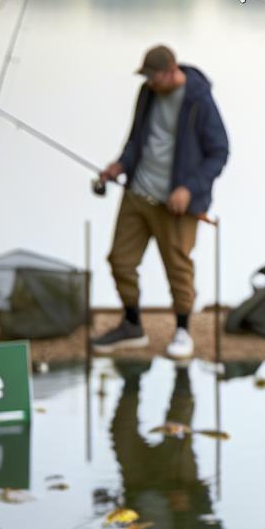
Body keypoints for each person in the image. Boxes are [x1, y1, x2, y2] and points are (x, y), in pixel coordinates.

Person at [91, 45, 230, 360]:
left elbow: (219, 152)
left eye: (153, 77)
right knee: (120, 260)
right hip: (137, 193)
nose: (149, 83)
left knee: (178, 269)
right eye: (147, 78)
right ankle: (131, 325)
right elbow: (137, 138)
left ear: (170, 71)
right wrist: (119, 165)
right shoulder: (147, 93)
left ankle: (182, 330)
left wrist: (189, 189)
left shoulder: (200, 99)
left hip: (176, 205)